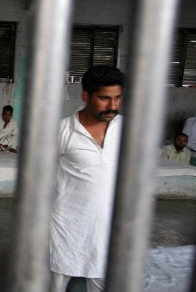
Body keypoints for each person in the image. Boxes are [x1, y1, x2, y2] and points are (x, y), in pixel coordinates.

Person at [50, 65, 127, 292]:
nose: (113, 106)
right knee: (57, 282)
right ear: (86, 96)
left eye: (118, 98)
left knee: (103, 280)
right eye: (104, 98)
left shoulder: (126, 129)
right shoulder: (63, 131)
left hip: (108, 223)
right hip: (67, 223)